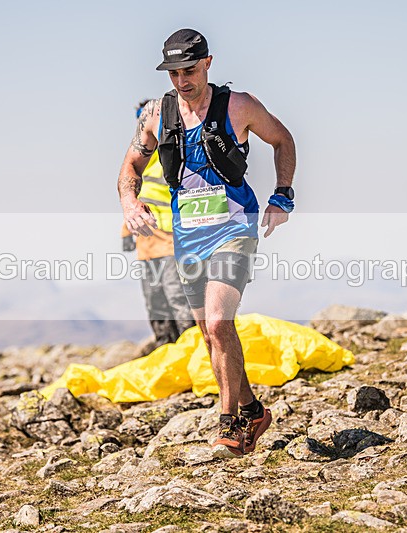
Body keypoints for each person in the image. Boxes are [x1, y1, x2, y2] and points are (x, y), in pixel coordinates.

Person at [117, 29, 296, 457]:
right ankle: (252, 409)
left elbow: (283, 140)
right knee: (209, 331)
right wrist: (129, 202)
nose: (183, 81)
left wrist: (282, 194)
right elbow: (129, 167)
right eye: (174, 73)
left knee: (218, 322)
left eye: (190, 70)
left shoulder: (239, 106)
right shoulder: (157, 116)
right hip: (187, 236)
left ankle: (229, 420)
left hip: (235, 228)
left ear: (208, 63)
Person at [121, 101, 195, 353]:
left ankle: (193, 351)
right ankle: (167, 353)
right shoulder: (139, 156)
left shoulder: (170, 152)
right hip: (146, 244)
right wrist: (125, 231)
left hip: (171, 239)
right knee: (155, 303)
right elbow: (134, 197)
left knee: (178, 299)